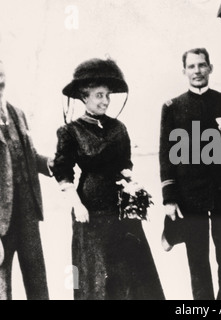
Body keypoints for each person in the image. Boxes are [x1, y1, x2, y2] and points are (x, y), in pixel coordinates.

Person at [52, 58, 165, 300]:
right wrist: (77, 204)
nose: (105, 101)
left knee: (130, 271)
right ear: (84, 97)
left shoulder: (119, 128)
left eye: (107, 96)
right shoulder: (71, 131)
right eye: (99, 95)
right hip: (91, 211)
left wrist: (133, 185)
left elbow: (125, 166)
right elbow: (63, 171)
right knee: (97, 273)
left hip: (122, 209)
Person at [159, 48, 221, 300]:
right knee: (197, 259)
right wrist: (170, 196)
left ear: (210, 68)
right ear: (184, 71)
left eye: (201, 65)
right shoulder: (173, 107)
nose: (197, 71)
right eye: (192, 66)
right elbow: (167, 154)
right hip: (190, 195)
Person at [0, 60, 51, 300]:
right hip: (2, 222)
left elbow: (29, 156)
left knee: (37, 282)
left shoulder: (17, 114)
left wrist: (53, 164)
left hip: (28, 214)